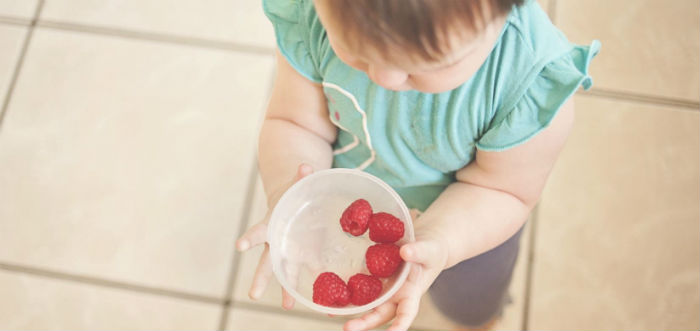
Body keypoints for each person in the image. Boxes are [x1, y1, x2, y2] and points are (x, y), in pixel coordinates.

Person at [236, 0, 599, 330]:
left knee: (470, 302)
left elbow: (503, 190)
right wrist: (289, 191)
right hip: (353, 200)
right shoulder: (314, 14)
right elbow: (296, 123)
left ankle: (478, 320)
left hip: (470, 225)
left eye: (426, 64)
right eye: (355, 49)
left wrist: (441, 240)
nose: (384, 77)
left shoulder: (527, 82)